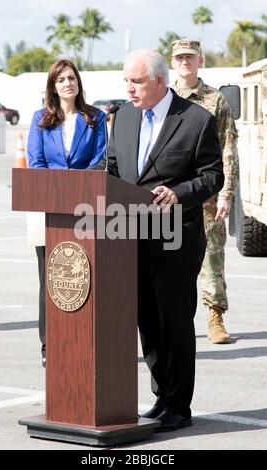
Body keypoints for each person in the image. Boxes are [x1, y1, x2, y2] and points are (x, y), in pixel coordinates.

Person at [102, 49, 224, 431]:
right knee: (148, 323)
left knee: (174, 323)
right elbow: (113, 169)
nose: (129, 89)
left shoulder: (196, 120)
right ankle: (161, 395)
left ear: (158, 81)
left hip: (176, 239)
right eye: (126, 81)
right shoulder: (122, 118)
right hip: (130, 237)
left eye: (135, 82)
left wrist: (179, 192)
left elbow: (212, 176)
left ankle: (179, 405)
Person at [27, 59, 106, 367]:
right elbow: (37, 163)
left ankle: (85, 338)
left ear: (78, 82)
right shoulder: (40, 119)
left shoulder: (95, 117)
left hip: (87, 211)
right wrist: (61, 192)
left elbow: (100, 162)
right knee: (51, 279)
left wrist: (78, 189)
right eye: (61, 80)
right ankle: (49, 345)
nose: (67, 84)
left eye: (71, 78)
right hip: (51, 212)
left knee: (85, 278)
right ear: (53, 86)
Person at [171, 39, 238, 344]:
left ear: (200, 61)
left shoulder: (215, 100)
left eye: (190, 57)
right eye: (180, 57)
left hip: (208, 193)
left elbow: (228, 148)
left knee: (212, 257)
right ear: (173, 63)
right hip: (170, 194)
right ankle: (172, 319)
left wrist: (226, 194)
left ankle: (215, 316)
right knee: (170, 259)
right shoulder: (164, 98)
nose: (185, 62)